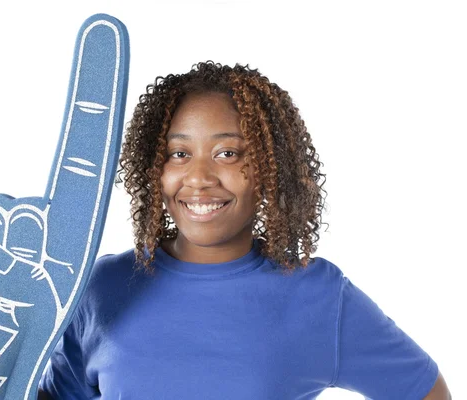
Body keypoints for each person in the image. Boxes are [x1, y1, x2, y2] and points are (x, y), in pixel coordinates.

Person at [37, 61, 451, 399]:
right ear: (154, 169)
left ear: (270, 170)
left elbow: (427, 392)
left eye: (228, 153)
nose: (198, 177)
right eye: (179, 153)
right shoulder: (102, 287)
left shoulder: (319, 296)